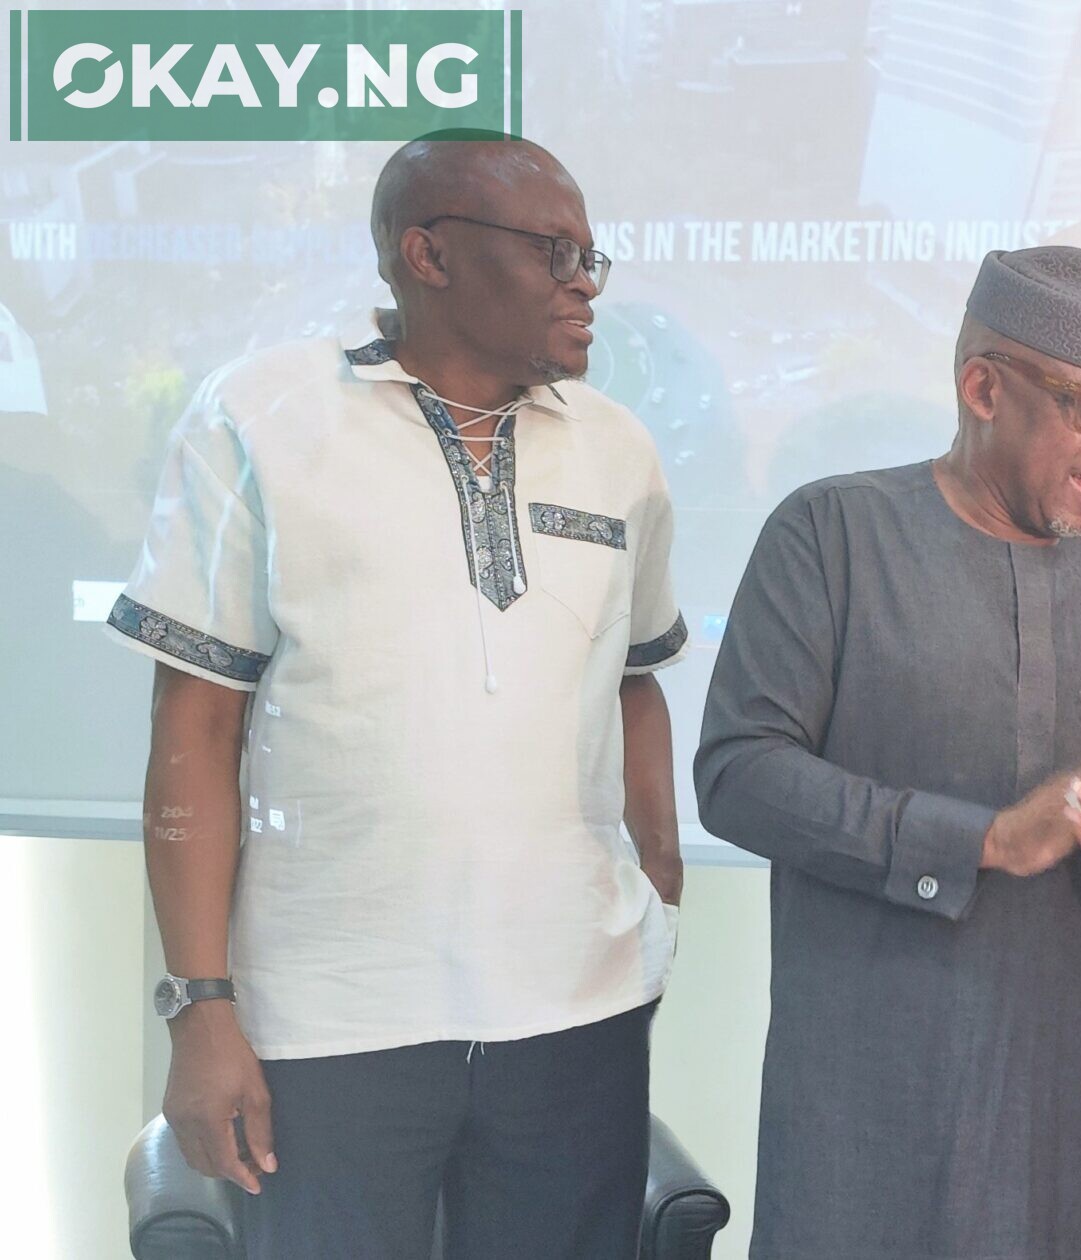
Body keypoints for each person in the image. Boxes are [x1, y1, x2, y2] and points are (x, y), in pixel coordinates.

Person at [118, 133, 685, 1260]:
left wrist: (658, 894)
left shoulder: (617, 450)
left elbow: (634, 687)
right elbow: (197, 723)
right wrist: (201, 1006)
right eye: (553, 250)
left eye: (591, 256)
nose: (584, 282)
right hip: (330, 1017)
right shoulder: (262, 418)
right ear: (428, 254)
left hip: (577, 1012)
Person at [695, 245, 1081, 1259]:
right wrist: (982, 840)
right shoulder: (832, 534)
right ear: (983, 388)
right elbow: (739, 773)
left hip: (1062, 1113)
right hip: (866, 1106)